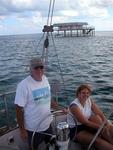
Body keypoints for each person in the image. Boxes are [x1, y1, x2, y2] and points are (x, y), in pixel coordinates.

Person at [14, 57, 61, 150]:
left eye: (41, 67)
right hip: (33, 128)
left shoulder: (45, 79)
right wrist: (22, 130)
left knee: (54, 147)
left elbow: (48, 98)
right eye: (36, 68)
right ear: (30, 69)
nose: (39, 70)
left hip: (47, 124)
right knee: (33, 148)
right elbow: (18, 108)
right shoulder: (24, 85)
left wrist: (59, 108)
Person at [67, 84, 113, 150]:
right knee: (97, 141)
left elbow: (99, 113)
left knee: (97, 118)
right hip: (77, 130)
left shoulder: (89, 100)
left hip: (87, 126)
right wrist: (101, 127)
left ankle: (109, 140)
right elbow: (85, 122)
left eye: (87, 93)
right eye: (83, 93)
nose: (86, 95)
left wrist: (105, 123)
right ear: (78, 94)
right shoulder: (74, 106)